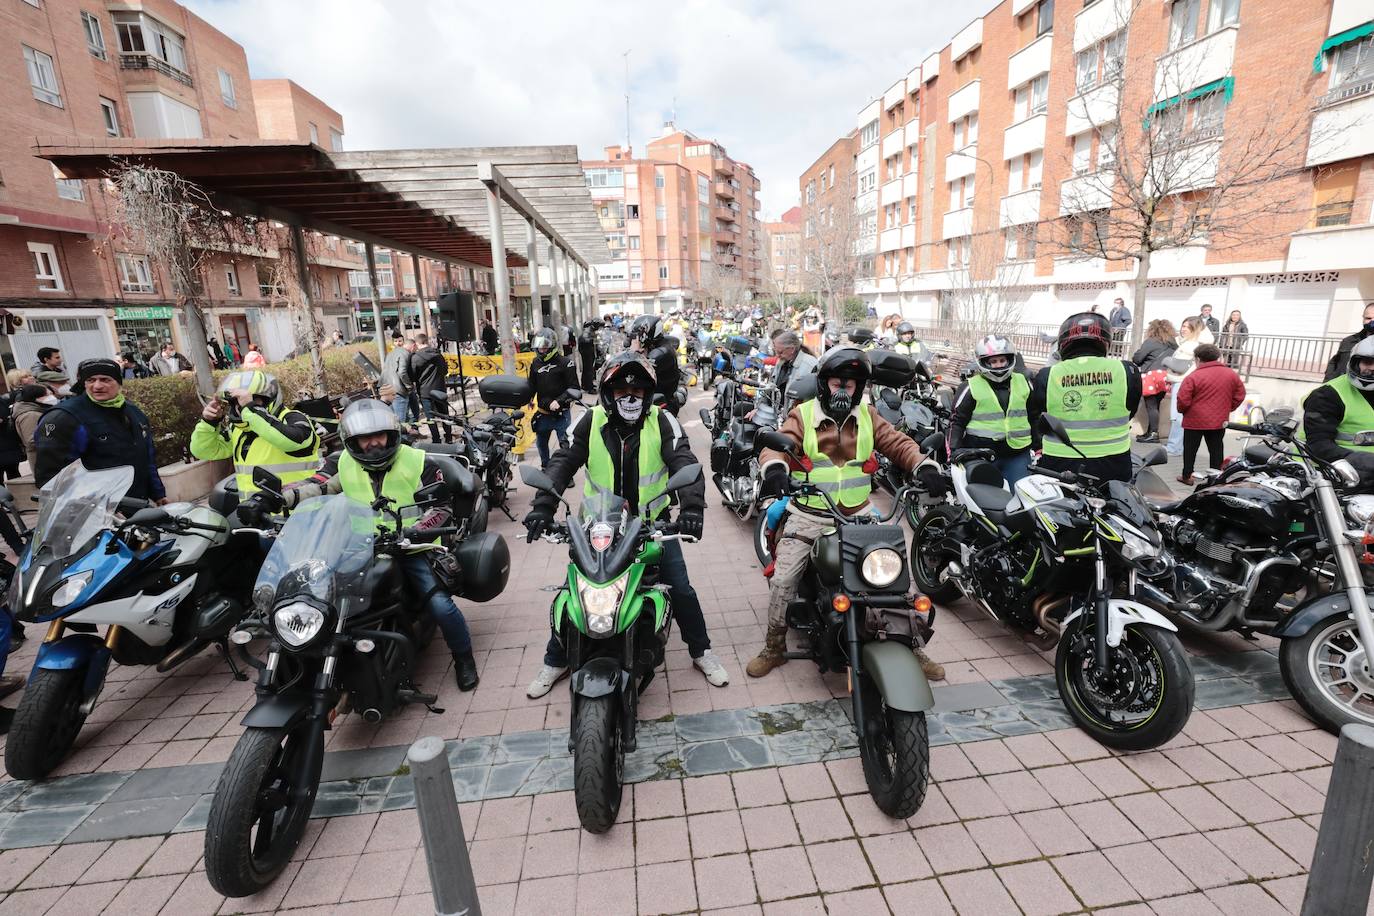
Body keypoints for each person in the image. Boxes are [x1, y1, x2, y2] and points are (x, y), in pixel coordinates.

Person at [523, 353, 728, 696]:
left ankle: (701, 650)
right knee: (574, 593)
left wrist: (693, 509)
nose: (629, 397)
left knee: (679, 587)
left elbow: (684, 462)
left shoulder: (663, 422)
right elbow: (562, 462)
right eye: (621, 390)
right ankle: (556, 658)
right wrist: (543, 506)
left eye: (637, 390)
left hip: (652, 526)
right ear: (607, 393)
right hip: (599, 528)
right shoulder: (589, 421)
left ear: (648, 394)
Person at [246, 399, 480, 690]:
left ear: (391, 434)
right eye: (364, 439)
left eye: (379, 436)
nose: (373, 444)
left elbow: (440, 507)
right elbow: (317, 484)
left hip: (409, 545)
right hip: (357, 546)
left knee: (439, 604)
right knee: (318, 591)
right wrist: (280, 497)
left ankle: (464, 658)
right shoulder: (342, 460)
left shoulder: (418, 462)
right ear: (352, 441)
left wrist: (416, 530)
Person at [750, 347, 943, 680]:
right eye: (838, 382)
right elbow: (775, 445)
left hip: (859, 513)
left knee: (893, 576)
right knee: (783, 580)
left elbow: (898, 443)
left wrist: (924, 466)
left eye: (850, 385)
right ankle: (774, 646)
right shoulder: (803, 414)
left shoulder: (868, 416)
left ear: (860, 388)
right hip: (810, 512)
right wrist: (776, 470)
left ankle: (912, 646)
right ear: (825, 383)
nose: (843, 390)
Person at [33, 358, 166, 503]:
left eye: (105, 379)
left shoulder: (133, 412)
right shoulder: (65, 417)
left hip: (135, 504)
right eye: (91, 380)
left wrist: (158, 494)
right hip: (93, 513)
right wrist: (97, 508)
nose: (97, 386)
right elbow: (53, 477)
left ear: (118, 382)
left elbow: (146, 457)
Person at [1029, 312, 1140, 483]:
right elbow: (1130, 409)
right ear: (1105, 341)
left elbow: (1039, 414)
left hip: (1061, 460)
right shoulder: (1126, 370)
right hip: (1114, 460)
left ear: (1063, 342)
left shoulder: (1047, 375)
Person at [191, 370, 321, 498]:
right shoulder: (238, 429)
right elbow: (203, 451)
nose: (241, 407)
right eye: (236, 402)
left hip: (299, 512)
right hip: (256, 514)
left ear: (268, 399)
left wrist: (251, 410)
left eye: (250, 400)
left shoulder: (293, 418)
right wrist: (209, 423)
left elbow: (291, 441)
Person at [948, 335, 1034, 485]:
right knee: (986, 503)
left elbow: (1034, 415)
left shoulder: (1024, 382)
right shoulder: (969, 387)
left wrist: (1039, 446)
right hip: (981, 455)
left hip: (1018, 454)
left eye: (1002, 360)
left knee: (1021, 499)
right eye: (993, 361)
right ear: (983, 362)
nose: (999, 365)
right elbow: (956, 422)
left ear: (1010, 359)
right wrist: (954, 450)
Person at [1175, 344, 1245, 486]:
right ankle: (1217, 478)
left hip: (1194, 420)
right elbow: (1240, 394)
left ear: (1198, 359)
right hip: (1218, 420)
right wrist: (1228, 408)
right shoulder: (1231, 374)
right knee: (1216, 449)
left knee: (1190, 449)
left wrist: (1183, 410)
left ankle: (1187, 475)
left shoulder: (1193, 376)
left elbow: (1183, 399)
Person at [529, 327, 581, 470]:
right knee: (541, 444)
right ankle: (546, 467)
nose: (541, 350)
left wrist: (559, 401)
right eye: (539, 346)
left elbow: (575, 389)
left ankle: (565, 472)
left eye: (545, 346)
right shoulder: (535, 363)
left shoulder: (566, 363)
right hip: (543, 413)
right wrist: (528, 398)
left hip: (561, 415)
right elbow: (531, 385)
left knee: (565, 445)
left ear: (552, 345)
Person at [1164, 316, 1211, 456]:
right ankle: (1179, 447)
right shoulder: (1193, 344)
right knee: (1182, 416)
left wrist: (1167, 361)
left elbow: (1179, 366)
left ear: (1194, 329)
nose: (1183, 329)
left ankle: (1174, 447)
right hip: (1184, 382)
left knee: (1177, 416)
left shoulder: (1190, 345)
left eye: (1186, 327)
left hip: (1182, 381)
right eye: (1183, 326)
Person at [1131, 319, 1178, 443]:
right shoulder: (1173, 343)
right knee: (1155, 405)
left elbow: (1137, 359)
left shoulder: (1151, 341)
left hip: (1151, 376)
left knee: (1151, 406)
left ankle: (1153, 433)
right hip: (1165, 376)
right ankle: (1150, 431)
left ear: (1152, 329)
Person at [627, 315, 682, 415]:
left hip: (663, 403)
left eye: (638, 335)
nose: (636, 338)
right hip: (649, 396)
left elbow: (638, 369)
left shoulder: (662, 352)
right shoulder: (652, 345)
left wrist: (634, 350)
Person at [410, 333, 452, 444]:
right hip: (440, 389)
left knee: (430, 418)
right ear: (427, 341)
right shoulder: (438, 354)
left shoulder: (415, 358)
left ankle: (436, 439)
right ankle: (448, 437)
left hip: (425, 391)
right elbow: (445, 370)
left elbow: (413, 376)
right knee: (444, 415)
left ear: (417, 343)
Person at [771, 330, 818, 415]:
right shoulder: (781, 362)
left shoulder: (810, 365)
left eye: (780, 352)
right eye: (776, 352)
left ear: (792, 349)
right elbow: (772, 386)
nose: (777, 356)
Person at [1326, 303, 1374, 382]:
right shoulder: (1348, 341)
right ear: (1363, 318)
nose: (1372, 322)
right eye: (1368, 318)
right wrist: (1328, 382)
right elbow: (1334, 362)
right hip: (1342, 388)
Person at [12, 385, 52, 472]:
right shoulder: (30, 415)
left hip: (46, 457)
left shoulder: (36, 410)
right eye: (48, 395)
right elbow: (31, 440)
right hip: (42, 460)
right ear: (37, 397)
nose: (51, 397)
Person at [381, 336, 417, 424]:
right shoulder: (405, 353)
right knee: (400, 422)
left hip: (387, 389)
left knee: (392, 421)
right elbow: (402, 372)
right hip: (398, 390)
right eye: (415, 349)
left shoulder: (391, 353)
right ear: (413, 346)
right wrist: (409, 386)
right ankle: (402, 437)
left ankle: (408, 435)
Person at [577, 321, 600, 392]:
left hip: (588, 352)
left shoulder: (590, 331)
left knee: (588, 370)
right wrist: (593, 339)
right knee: (588, 370)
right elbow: (586, 340)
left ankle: (586, 385)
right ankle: (588, 387)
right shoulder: (587, 332)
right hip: (587, 353)